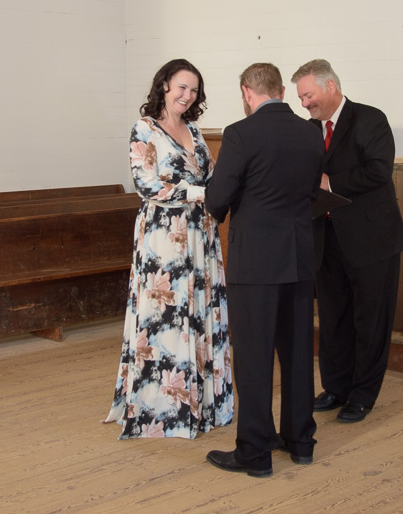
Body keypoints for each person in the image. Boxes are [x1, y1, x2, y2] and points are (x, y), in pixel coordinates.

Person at [204, 63, 325, 478]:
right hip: (298, 257)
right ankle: (300, 441)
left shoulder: (240, 133)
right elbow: (311, 192)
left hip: (255, 262)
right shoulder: (310, 131)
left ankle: (255, 452)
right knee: (296, 354)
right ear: (281, 92)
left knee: (254, 359)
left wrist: (222, 200)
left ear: (247, 93)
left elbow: (218, 198)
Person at [104, 59, 233, 439]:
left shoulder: (193, 129)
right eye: (181, 87)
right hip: (164, 237)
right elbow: (146, 185)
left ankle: (204, 405)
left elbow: (211, 177)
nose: (187, 95)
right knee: (167, 316)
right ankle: (163, 409)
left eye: (193, 90)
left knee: (198, 310)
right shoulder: (144, 129)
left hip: (200, 234)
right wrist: (201, 193)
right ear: (164, 86)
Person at [291, 59, 403, 423]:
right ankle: (337, 387)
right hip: (326, 239)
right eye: (300, 97)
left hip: (372, 239)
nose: (304, 103)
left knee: (370, 319)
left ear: (330, 87)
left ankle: (363, 395)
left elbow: (379, 169)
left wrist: (330, 182)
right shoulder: (310, 130)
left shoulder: (370, 118)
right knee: (332, 318)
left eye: (308, 95)